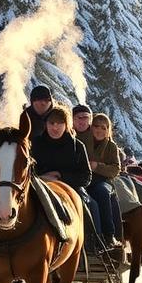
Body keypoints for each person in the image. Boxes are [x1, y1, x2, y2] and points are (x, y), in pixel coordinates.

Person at [31, 106, 105, 246]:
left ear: (66, 124)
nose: (55, 127)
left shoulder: (77, 146)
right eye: (51, 123)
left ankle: (93, 245)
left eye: (59, 123)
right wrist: (43, 178)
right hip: (39, 186)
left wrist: (60, 175)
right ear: (46, 124)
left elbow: (86, 176)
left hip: (71, 188)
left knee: (92, 206)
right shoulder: (36, 144)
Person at [87, 113, 123, 248]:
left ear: (108, 130)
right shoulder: (84, 141)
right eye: (96, 126)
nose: (100, 130)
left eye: (104, 127)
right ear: (91, 127)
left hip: (103, 181)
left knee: (102, 193)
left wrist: (97, 166)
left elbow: (115, 169)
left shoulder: (111, 147)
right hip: (84, 180)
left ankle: (109, 235)